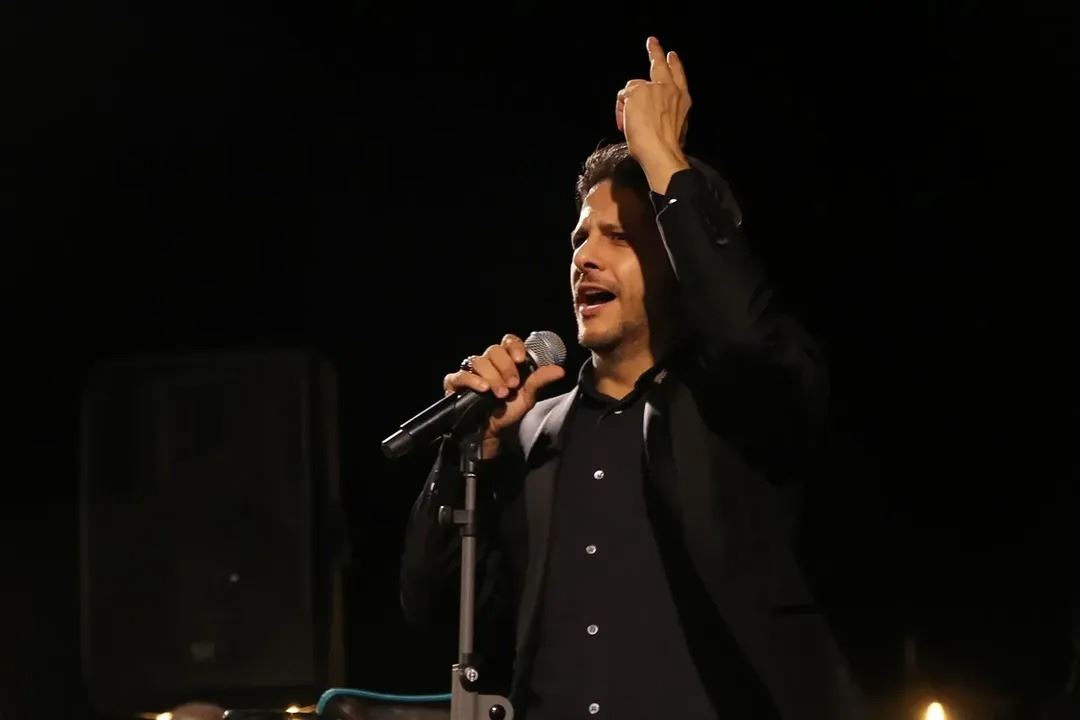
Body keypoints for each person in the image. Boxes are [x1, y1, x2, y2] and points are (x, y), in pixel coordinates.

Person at [399, 36, 864, 720]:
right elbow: (433, 609)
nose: (585, 257)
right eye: (580, 238)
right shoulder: (531, 433)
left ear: (679, 259)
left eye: (619, 238)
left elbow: (748, 338)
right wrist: (469, 454)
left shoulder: (736, 408)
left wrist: (663, 159)